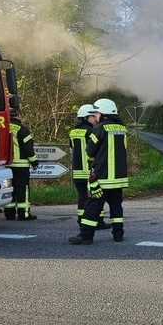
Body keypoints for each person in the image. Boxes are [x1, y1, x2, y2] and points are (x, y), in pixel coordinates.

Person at [68, 98, 129, 244]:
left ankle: (85, 236)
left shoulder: (99, 129)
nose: (95, 117)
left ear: (104, 113)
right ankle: (118, 234)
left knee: (92, 206)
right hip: (119, 178)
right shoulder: (122, 129)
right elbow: (124, 150)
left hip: (101, 177)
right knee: (116, 206)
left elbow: (89, 151)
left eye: (96, 113)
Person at [69, 104, 110, 230]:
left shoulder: (73, 132)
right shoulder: (92, 131)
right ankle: (98, 221)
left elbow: (71, 149)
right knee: (96, 196)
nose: (95, 118)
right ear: (86, 117)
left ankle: (81, 220)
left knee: (82, 196)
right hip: (90, 170)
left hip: (77, 170)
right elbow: (95, 151)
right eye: (93, 115)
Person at [5, 109, 39, 221]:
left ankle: (9, 214)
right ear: (19, 115)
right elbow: (28, 148)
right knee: (22, 190)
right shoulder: (23, 129)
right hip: (21, 166)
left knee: (9, 189)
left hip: (6, 166)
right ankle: (23, 214)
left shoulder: (4, 127)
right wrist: (34, 162)